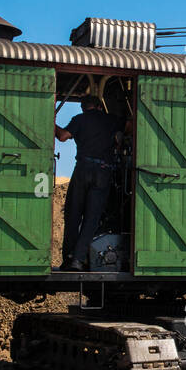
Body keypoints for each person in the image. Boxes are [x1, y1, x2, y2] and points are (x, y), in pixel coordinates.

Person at [55, 96, 121, 271]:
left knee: (73, 214)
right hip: (103, 171)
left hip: (82, 168)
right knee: (91, 219)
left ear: (84, 108)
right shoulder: (111, 120)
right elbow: (130, 126)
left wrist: (51, 122)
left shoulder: (79, 119)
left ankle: (68, 259)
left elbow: (62, 136)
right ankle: (78, 259)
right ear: (100, 106)